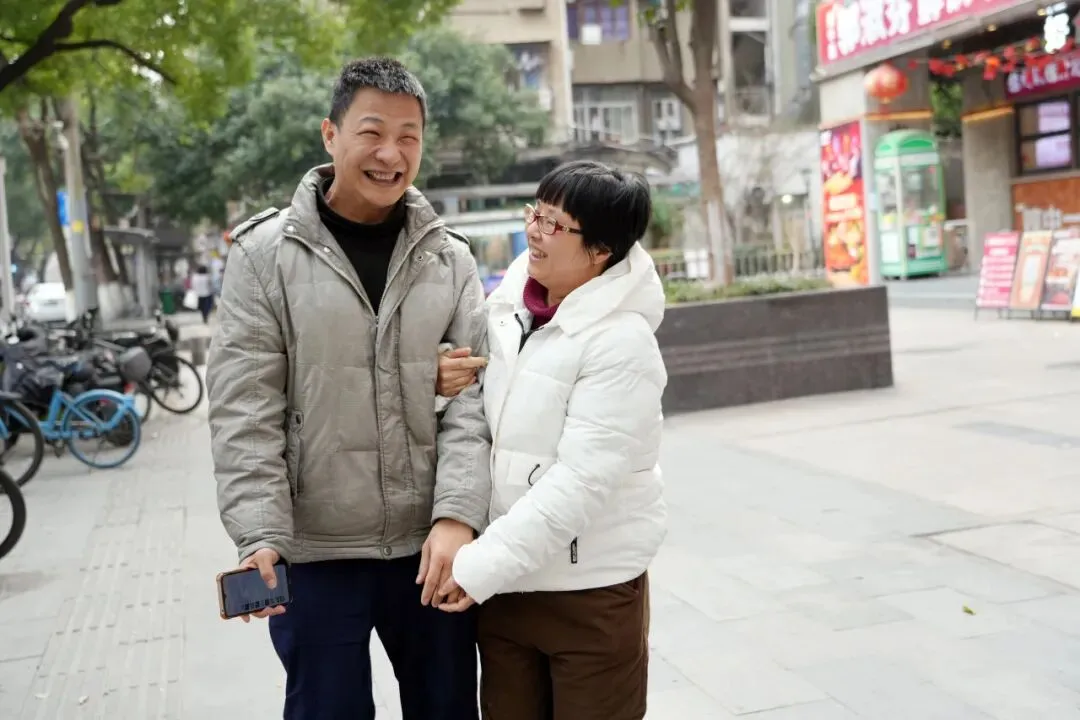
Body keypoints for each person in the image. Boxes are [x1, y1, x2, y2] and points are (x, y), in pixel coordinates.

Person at [206, 57, 491, 720]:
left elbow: (473, 403)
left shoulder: (448, 257)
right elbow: (246, 410)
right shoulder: (263, 256)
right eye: (372, 132)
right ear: (330, 135)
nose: (391, 154)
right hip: (315, 552)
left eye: (409, 137)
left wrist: (457, 518)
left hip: (430, 547)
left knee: (448, 706)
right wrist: (259, 533)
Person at [435, 160, 668, 720]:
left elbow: (581, 482)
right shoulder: (508, 309)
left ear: (601, 250)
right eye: (535, 214)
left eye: (555, 224)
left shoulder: (623, 343)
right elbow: (480, 421)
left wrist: (481, 566)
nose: (534, 231)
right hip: (506, 589)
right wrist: (440, 384)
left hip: (588, 593)